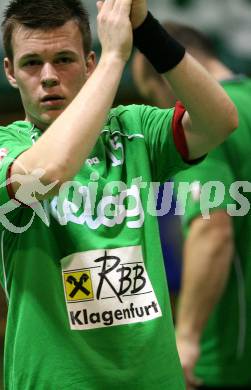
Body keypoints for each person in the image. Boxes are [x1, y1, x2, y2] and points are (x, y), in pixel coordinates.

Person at [0, 1, 237, 388]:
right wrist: (114, 60)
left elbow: (220, 119)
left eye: (64, 59)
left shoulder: (134, 128)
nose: (49, 76)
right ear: (10, 72)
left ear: (87, 63)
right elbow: (49, 171)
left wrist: (146, 29)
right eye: (32, 63)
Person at [132, 23, 251, 390]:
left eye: (156, 100)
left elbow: (211, 230)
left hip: (233, 352)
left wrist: (186, 337)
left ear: (171, 77)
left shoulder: (206, 130)